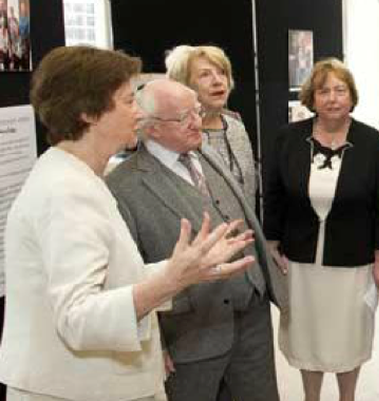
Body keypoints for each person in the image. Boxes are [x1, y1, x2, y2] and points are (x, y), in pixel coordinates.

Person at [0, 46, 256, 401]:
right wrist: (173, 279)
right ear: (88, 113)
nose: (139, 113)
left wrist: (185, 268)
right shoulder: (65, 193)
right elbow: (78, 317)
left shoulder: (81, 177)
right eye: (127, 101)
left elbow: (114, 280)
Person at [106, 79, 286, 401]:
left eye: (197, 111)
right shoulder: (122, 187)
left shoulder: (206, 152)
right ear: (152, 128)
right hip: (190, 335)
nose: (197, 122)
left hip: (252, 319)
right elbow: (126, 273)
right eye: (184, 117)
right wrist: (154, 344)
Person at [263, 58, 379, 401]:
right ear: (312, 97)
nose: (332, 98)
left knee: (348, 334)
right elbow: (274, 193)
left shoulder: (374, 142)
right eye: (324, 91)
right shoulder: (287, 138)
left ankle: (346, 397)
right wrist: (271, 241)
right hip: (301, 260)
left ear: (352, 96)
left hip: (354, 260)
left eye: (340, 90)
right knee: (308, 334)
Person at [165, 45, 259, 211]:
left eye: (222, 72)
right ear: (184, 84)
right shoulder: (176, 134)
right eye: (205, 74)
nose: (217, 81)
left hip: (246, 234)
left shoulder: (236, 125)